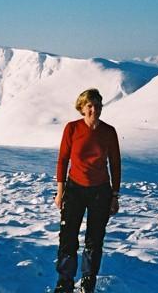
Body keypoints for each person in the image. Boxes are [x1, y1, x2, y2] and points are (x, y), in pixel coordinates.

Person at [53, 88, 121, 293]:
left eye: (97, 105)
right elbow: (63, 160)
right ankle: (65, 282)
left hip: (100, 191)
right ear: (82, 108)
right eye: (89, 106)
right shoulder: (72, 128)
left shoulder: (109, 132)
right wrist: (60, 191)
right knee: (68, 237)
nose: (94, 109)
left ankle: (87, 282)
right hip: (74, 189)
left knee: (94, 239)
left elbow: (115, 164)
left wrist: (115, 195)